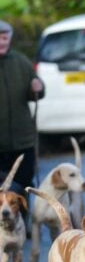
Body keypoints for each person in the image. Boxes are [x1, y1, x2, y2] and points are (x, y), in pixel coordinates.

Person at [0, 20, 45, 193]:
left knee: (23, 187)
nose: (1, 42)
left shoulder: (21, 62)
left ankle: (24, 220)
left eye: (4, 38)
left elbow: (37, 91)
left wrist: (38, 88)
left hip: (23, 142)